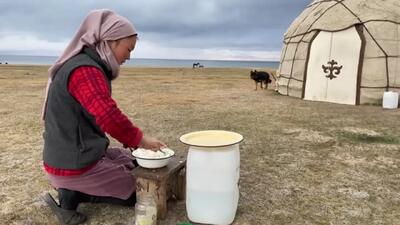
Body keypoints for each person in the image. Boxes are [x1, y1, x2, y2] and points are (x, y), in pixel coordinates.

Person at [41, 9, 166, 225]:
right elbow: (108, 116)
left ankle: (74, 190)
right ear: (111, 41)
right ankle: (73, 193)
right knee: (139, 191)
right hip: (73, 165)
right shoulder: (85, 71)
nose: (129, 56)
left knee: (130, 161)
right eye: (128, 49)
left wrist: (135, 145)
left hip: (74, 154)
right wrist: (141, 140)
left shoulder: (85, 65)